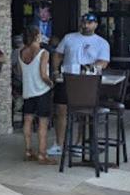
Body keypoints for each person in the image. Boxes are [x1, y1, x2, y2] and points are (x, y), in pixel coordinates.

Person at [47, 12, 110, 156]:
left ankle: (79, 144)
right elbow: (58, 54)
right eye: (83, 22)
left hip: (87, 82)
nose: (85, 25)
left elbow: (103, 62)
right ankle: (59, 144)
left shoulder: (101, 42)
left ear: (95, 25)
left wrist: (89, 68)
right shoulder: (69, 38)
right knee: (61, 110)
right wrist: (55, 71)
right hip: (67, 79)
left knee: (83, 113)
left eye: (89, 23)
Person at [18, 26, 56, 164]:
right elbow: (43, 75)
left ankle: (28, 151)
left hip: (27, 91)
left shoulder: (21, 52)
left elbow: (21, 73)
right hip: (41, 91)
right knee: (42, 123)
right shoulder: (43, 52)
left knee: (27, 120)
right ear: (37, 36)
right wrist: (51, 83)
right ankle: (42, 154)